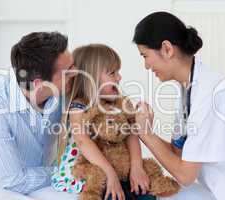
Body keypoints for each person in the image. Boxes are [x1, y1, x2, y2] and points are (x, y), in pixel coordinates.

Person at [132, 11, 225, 200]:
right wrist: (145, 130)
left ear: (167, 49)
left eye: (145, 56)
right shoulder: (187, 90)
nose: (146, 65)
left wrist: (146, 134)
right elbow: (179, 153)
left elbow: (185, 175)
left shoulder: (209, 93)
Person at [0, 32, 79, 199]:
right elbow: (12, 180)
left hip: (54, 183)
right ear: (40, 84)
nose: (76, 73)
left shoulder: (66, 90)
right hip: (7, 191)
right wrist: (67, 171)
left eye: (74, 65)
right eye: (68, 72)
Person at [52, 44, 156, 200]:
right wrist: (110, 174)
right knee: (108, 193)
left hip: (118, 167)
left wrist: (136, 166)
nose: (119, 77)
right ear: (91, 78)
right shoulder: (79, 106)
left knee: (144, 191)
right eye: (112, 73)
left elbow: (131, 133)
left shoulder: (119, 103)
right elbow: (82, 141)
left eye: (118, 72)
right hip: (91, 169)